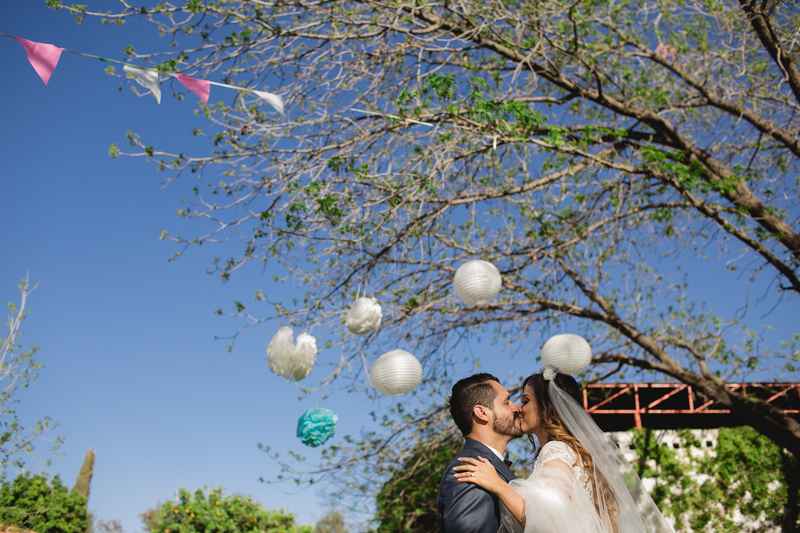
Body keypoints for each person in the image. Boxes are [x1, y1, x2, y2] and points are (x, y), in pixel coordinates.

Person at [453, 366, 675, 533]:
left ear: (547, 407)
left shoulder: (556, 450)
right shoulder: (571, 452)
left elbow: (549, 520)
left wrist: (499, 486)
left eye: (525, 400)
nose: (518, 409)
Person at [437, 373, 524, 532]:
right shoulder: (469, 470)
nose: (516, 408)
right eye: (506, 402)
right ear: (482, 413)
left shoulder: (487, 467)